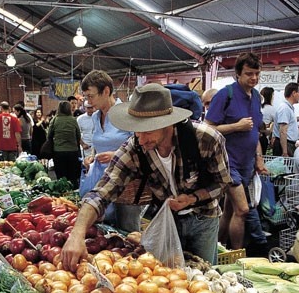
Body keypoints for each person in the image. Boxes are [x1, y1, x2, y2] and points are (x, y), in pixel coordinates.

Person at [61, 83, 230, 272]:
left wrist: (193, 198)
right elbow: (102, 192)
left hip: (204, 219)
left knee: (204, 278)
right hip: (168, 220)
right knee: (169, 276)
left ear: (167, 123)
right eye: (136, 130)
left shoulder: (206, 139)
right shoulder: (135, 148)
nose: (140, 139)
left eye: (147, 130)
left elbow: (222, 183)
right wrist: (77, 233)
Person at [205, 52, 266, 250]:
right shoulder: (225, 94)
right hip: (227, 162)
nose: (254, 78)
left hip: (246, 162)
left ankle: (218, 249)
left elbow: (255, 130)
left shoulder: (256, 96)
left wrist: (259, 158)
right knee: (243, 209)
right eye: (249, 73)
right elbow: (207, 128)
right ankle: (237, 255)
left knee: (230, 210)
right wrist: (235, 126)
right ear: (238, 74)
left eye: (257, 73)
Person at [81, 70, 141, 232]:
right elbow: (98, 144)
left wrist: (116, 155)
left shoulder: (128, 114)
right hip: (102, 181)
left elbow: (142, 147)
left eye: (91, 96)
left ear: (106, 91)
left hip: (127, 182)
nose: (88, 101)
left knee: (127, 228)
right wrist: (92, 157)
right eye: (86, 96)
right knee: (103, 227)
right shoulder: (94, 117)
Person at [48, 100, 81, 186]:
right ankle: (75, 195)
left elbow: (49, 135)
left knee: (61, 178)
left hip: (58, 152)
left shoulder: (55, 120)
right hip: (73, 152)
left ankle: (62, 195)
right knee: (73, 177)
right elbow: (78, 135)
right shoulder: (73, 120)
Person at [272, 82, 299, 157]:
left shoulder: (289, 108)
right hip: (284, 145)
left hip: (288, 144)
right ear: (294, 93)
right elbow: (283, 131)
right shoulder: (284, 108)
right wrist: (285, 152)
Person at [259, 86, 275, 154]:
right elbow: (277, 124)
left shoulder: (257, 107)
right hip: (264, 136)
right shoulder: (271, 109)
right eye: (273, 95)